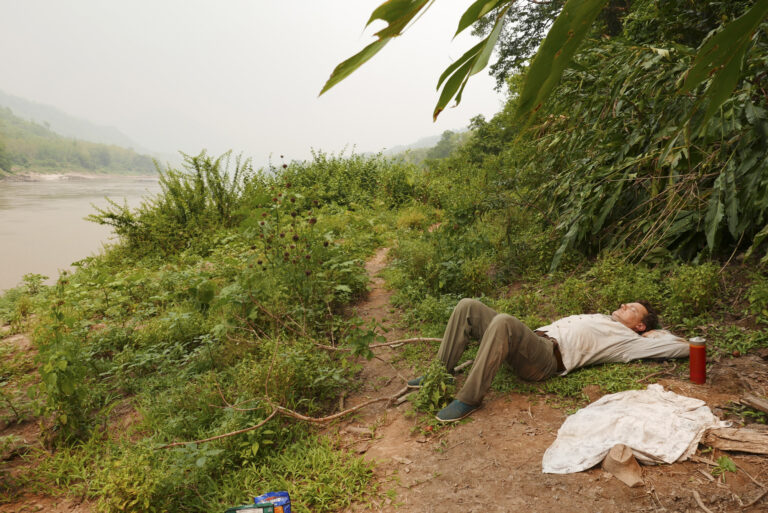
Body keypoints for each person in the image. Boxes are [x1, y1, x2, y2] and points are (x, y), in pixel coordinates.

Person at [408, 298, 689, 422]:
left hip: (545, 360)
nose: (625, 306)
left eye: (633, 310)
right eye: (627, 303)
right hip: (533, 341)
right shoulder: (602, 318)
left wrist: (653, 333)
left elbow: (681, 348)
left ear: (640, 326)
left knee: (504, 321)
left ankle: (468, 399)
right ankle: (439, 373)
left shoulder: (628, 341)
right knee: (467, 305)